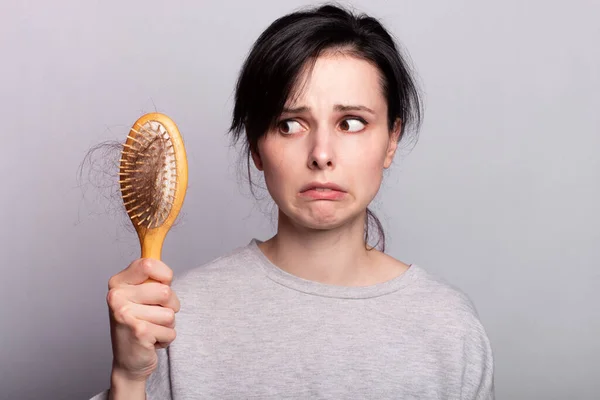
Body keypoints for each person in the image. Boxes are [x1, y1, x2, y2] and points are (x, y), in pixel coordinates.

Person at [91, 4, 494, 399]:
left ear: (391, 139)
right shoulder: (171, 317)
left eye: (351, 123)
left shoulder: (448, 326)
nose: (321, 154)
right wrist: (128, 377)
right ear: (255, 146)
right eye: (290, 124)